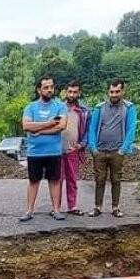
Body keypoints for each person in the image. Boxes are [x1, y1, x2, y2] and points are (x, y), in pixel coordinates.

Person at [84, 78, 138, 217]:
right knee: (99, 179)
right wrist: (93, 148)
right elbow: (92, 128)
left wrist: (122, 150)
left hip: (117, 151)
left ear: (123, 91)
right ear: (108, 92)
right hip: (100, 151)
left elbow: (131, 129)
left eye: (117, 91)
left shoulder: (129, 108)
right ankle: (97, 207)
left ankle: (115, 207)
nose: (114, 94)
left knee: (116, 179)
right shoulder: (99, 108)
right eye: (112, 92)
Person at [19, 75, 68, 222]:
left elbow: (61, 126)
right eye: (46, 87)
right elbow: (26, 126)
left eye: (51, 87)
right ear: (39, 89)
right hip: (34, 152)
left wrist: (38, 130)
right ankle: (29, 211)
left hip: (54, 151)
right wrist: (49, 123)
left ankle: (56, 210)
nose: (49, 90)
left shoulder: (60, 106)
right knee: (33, 181)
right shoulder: (30, 107)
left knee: (54, 180)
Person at [60, 80, 89, 215]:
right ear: (65, 92)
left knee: (72, 179)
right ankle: (56, 207)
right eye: (69, 91)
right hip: (57, 150)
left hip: (73, 150)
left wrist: (81, 145)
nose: (72, 94)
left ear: (79, 93)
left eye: (75, 92)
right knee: (56, 180)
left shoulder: (83, 111)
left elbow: (88, 131)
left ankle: (72, 206)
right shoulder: (58, 108)